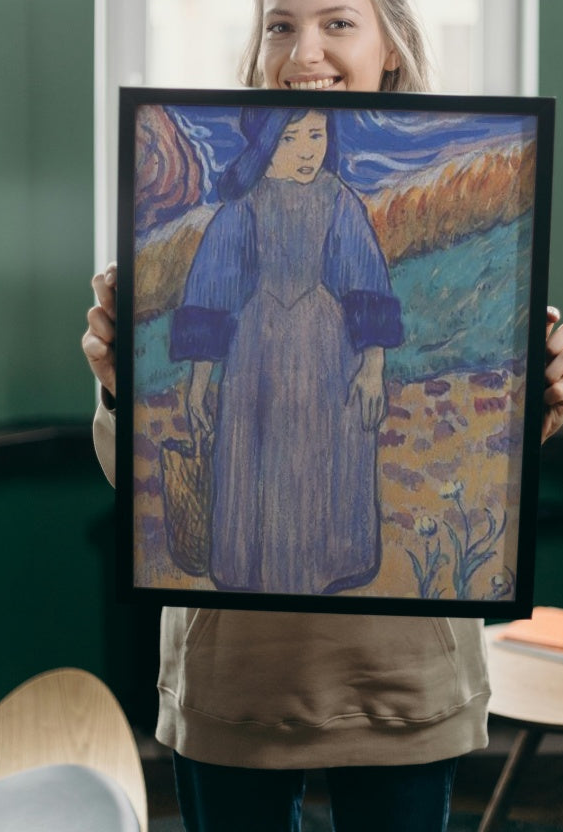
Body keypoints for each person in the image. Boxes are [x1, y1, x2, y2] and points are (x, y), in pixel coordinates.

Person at [83, 0, 563, 832]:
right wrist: (135, 386)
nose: (302, 49)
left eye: (337, 23)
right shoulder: (227, 213)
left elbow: (369, 294)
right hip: (235, 681)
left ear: (390, 45)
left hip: (400, 681)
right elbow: (146, 447)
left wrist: (530, 406)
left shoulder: (366, 204)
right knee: (258, 475)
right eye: (279, 24)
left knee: (324, 470)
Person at [171, 105, 402, 595]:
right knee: (257, 456)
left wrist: (373, 365)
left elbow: (365, 283)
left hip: (328, 352)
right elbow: (212, 295)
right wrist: (198, 384)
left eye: (316, 136)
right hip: (256, 352)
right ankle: (253, 568)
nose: (306, 151)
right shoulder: (243, 208)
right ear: (264, 146)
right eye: (290, 139)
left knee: (324, 455)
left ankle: (328, 565)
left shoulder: (339, 200)